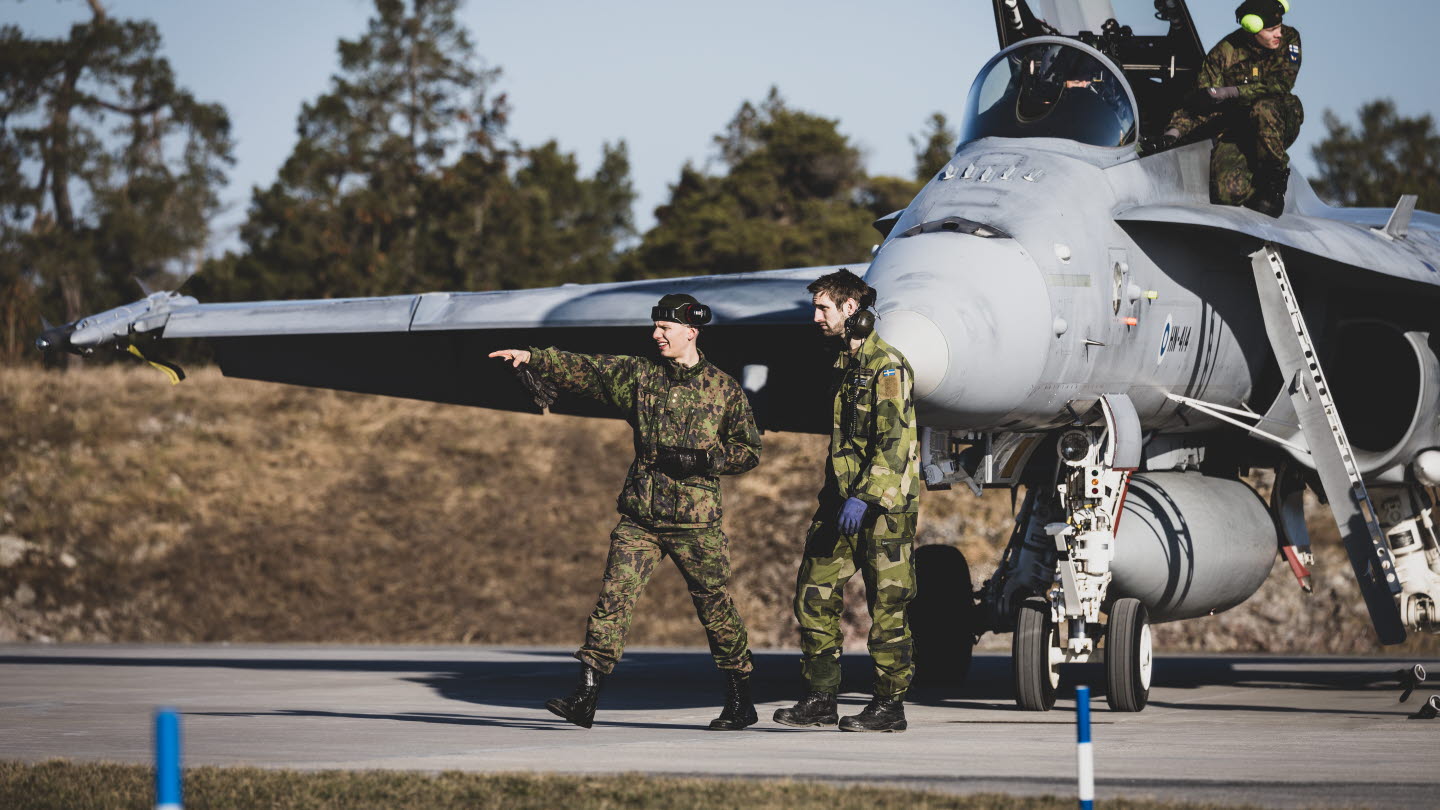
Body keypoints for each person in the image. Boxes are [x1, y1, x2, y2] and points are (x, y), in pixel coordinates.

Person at [488, 294, 762, 731]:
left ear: (691, 332)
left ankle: (739, 699)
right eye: (654, 327)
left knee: (715, 607)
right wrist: (532, 357)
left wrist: (704, 461)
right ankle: (586, 696)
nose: (656, 335)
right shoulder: (640, 376)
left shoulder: (723, 389)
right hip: (641, 517)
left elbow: (749, 452)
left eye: (665, 329)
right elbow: (586, 368)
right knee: (613, 600)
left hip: (696, 524)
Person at [773, 269, 921, 733]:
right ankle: (820, 698)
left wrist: (865, 496)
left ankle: (889, 705)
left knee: (887, 605)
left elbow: (895, 441)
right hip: (839, 503)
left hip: (881, 509)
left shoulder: (887, 367)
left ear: (850, 309)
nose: (814, 316)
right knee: (813, 594)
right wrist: (841, 496)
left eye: (823, 308)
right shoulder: (845, 363)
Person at [1159, 0, 1302, 217]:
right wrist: (1173, 133)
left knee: (1263, 109)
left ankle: (1273, 182)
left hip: (1280, 117)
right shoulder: (1224, 54)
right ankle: (1252, 186)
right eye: (1271, 30)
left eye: (1279, 27)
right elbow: (1199, 103)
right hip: (1239, 126)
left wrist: (1232, 92)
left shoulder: (1289, 39)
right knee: (1226, 193)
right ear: (1252, 28)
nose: (1278, 34)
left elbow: (1282, 83)